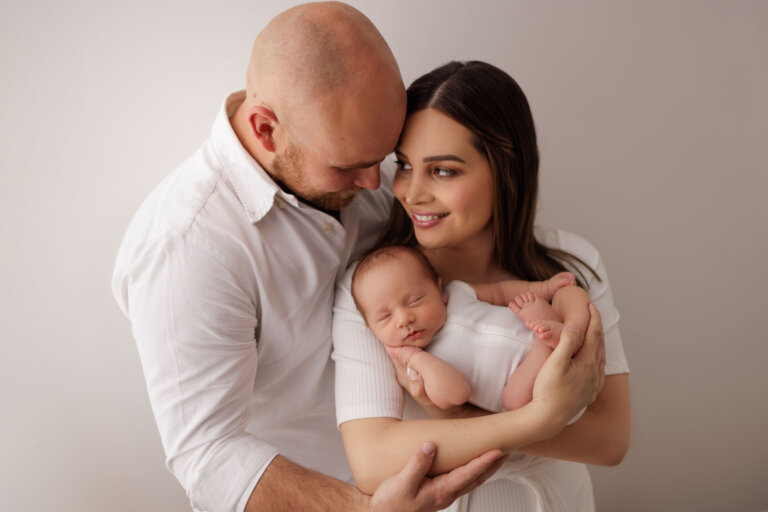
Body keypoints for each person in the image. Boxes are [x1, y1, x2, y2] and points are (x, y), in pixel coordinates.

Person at [332, 60, 630, 511]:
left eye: (444, 171)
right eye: (406, 165)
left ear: (504, 169)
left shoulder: (572, 264)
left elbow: (610, 440)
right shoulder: (375, 287)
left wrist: (457, 421)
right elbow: (373, 460)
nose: (412, 192)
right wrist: (541, 418)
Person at [351, 244, 590, 412]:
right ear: (371, 328)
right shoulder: (423, 368)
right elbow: (458, 393)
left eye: (414, 301)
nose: (404, 319)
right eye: (385, 317)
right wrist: (414, 358)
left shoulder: (459, 292)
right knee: (513, 401)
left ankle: (562, 338)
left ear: (439, 289)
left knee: (572, 296)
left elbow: (501, 292)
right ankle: (553, 341)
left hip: (554, 344)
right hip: (539, 388)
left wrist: (544, 287)